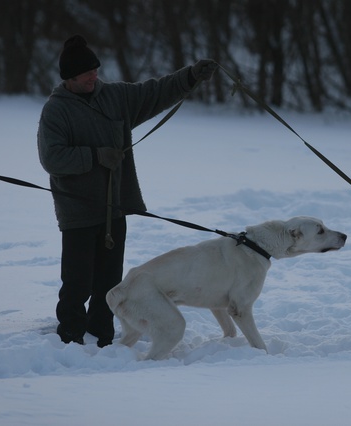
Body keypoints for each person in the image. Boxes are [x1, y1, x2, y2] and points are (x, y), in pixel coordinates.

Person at [37, 34, 217, 347]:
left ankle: (101, 337)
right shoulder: (56, 111)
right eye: (86, 73)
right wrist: (94, 156)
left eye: (95, 70)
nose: (94, 75)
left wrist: (189, 76)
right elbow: (51, 157)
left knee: (109, 282)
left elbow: (156, 91)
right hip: (77, 210)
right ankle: (69, 339)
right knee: (78, 283)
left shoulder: (115, 96)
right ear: (69, 77)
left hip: (113, 209)